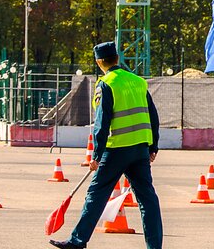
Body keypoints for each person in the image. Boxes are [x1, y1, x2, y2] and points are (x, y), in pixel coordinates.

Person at [50, 42, 162, 249]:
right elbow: (153, 116)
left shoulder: (106, 83)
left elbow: (102, 123)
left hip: (116, 149)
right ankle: (154, 246)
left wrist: (96, 155)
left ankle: (77, 240)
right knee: (148, 200)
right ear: (117, 58)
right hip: (140, 149)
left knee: (97, 194)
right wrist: (153, 146)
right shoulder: (139, 82)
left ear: (99, 62)